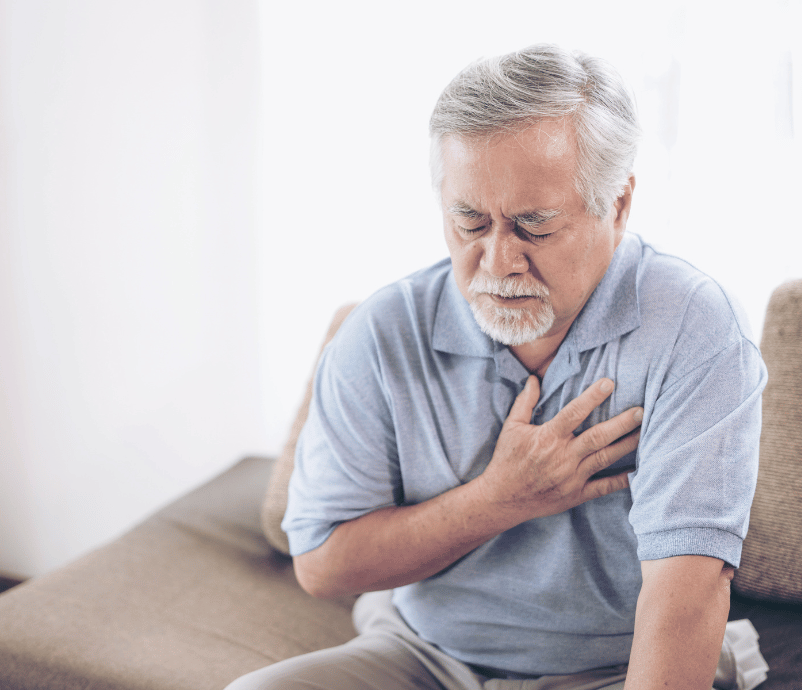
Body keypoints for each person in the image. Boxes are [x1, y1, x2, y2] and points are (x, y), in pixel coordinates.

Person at [228, 43, 767, 690]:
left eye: (534, 226)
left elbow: (688, 593)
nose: (497, 260)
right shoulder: (381, 332)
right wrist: (498, 499)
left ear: (618, 205)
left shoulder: (694, 328)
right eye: (469, 221)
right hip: (425, 653)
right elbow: (321, 565)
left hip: (612, 667)